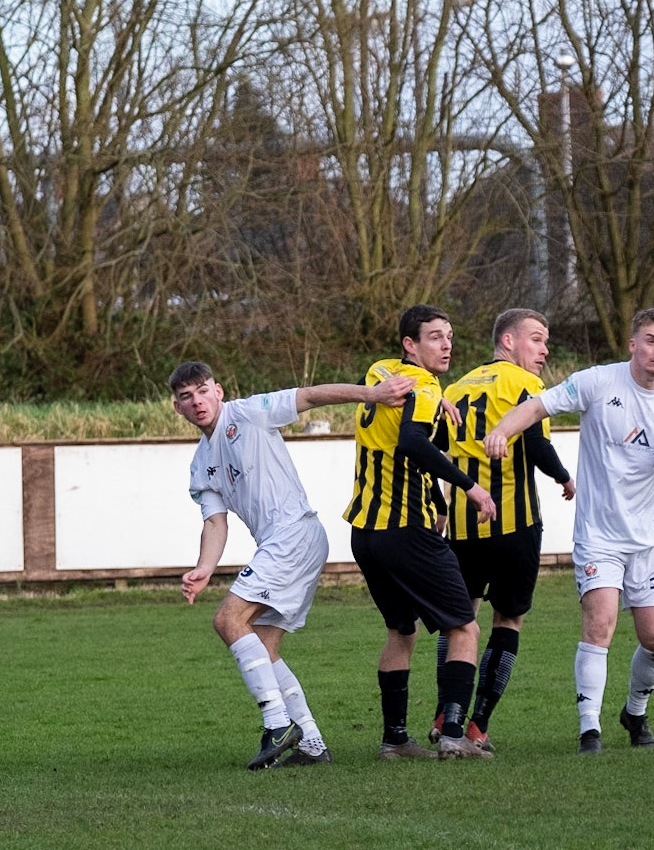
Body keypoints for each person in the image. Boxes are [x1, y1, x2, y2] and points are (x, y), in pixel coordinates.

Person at [482, 309, 654, 754]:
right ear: (633, 344)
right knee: (600, 625)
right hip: (598, 534)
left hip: (650, 538)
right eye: (651, 341)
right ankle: (588, 730)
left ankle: (634, 712)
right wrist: (501, 429)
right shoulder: (598, 381)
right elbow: (538, 406)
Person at [171, 360, 415, 769]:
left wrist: (371, 395)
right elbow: (215, 522)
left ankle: (278, 725)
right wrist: (204, 569)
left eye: (202, 391)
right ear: (177, 407)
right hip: (286, 543)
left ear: (219, 391)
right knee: (263, 646)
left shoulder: (248, 412)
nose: (196, 402)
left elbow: (309, 395)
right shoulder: (201, 465)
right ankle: (311, 745)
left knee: (228, 620)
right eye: (185, 397)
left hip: (294, 535)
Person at [344, 304, 500, 761]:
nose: (447, 343)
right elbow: (412, 442)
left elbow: (398, 418)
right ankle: (453, 735)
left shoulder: (380, 371)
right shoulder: (427, 387)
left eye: (449, 335)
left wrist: (436, 399)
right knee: (465, 627)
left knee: (401, 631)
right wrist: (469, 486)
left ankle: (394, 740)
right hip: (405, 528)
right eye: (435, 336)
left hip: (365, 532)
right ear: (410, 345)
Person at [432, 308, 575, 753]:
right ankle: (477, 725)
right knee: (507, 619)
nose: (545, 350)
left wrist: (438, 504)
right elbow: (534, 443)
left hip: (462, 526)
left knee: (460, 622)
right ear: (508, 342)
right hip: (514, 525)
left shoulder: (456, 387)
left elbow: (435, 451)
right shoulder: (526, 386)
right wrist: (564, 477)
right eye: (536, 339)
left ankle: (444, 713)